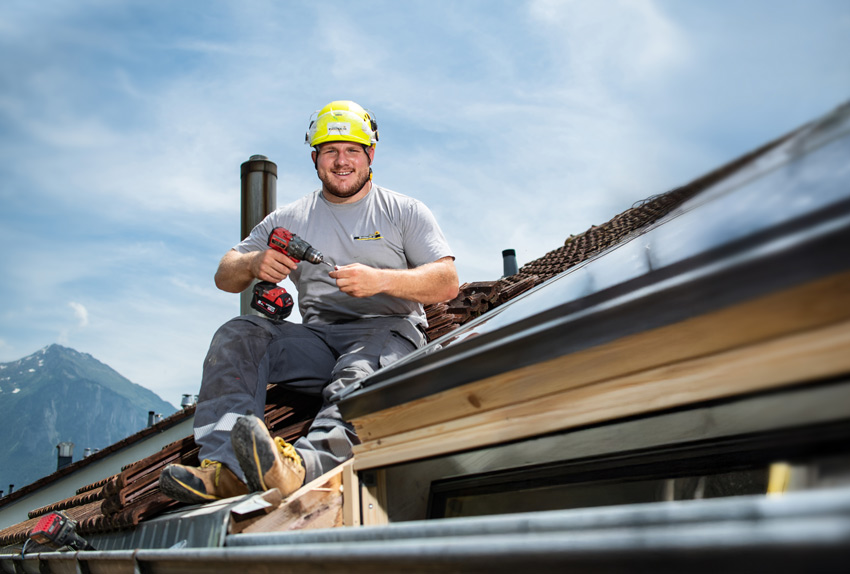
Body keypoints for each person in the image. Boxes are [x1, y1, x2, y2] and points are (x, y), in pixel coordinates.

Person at [159, 100, 458, 504]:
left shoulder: (403, 211)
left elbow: (446, 282)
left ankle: (300, 468)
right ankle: (226, 468)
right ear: (315, 158)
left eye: (352, 150)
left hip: (388, 333)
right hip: (317, 342)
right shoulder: (292, 218)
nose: (341, 161)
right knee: (239, 333)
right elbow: (224, 275)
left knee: (358, 373)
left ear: (370, 155)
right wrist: (253, 262)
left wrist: (380, 281)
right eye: (330, 151)